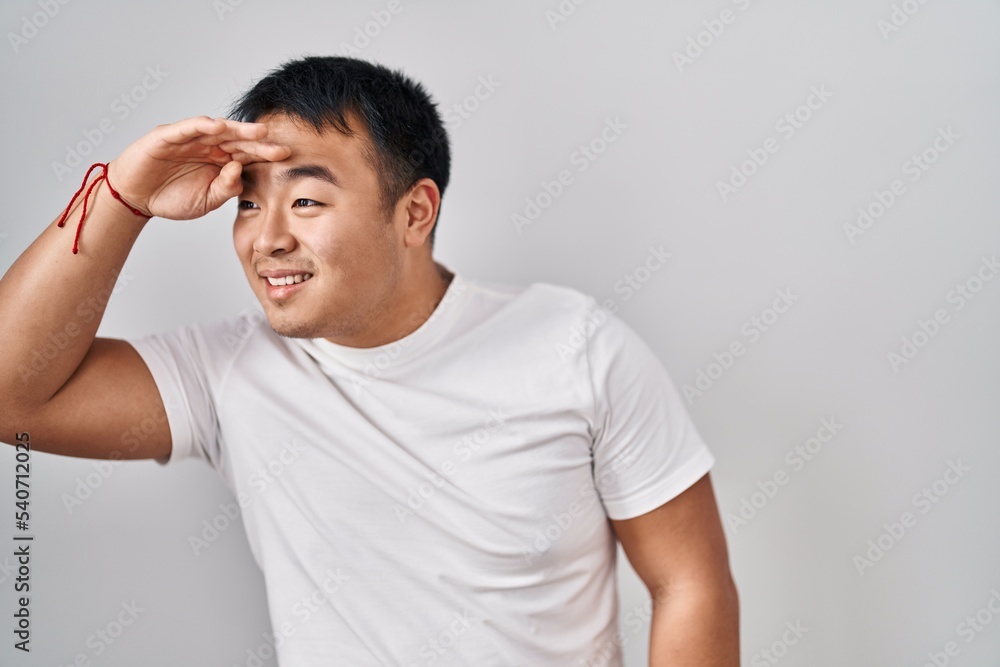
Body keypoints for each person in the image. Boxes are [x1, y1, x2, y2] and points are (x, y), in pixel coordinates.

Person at [0, 56, 738, 665]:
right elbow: (14, 398)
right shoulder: (227, 369)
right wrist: (122, 196)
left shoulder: (576, 347)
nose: (268, 238)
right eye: (248, 204)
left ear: (414, 212)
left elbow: (688, 582)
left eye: (307, 202)